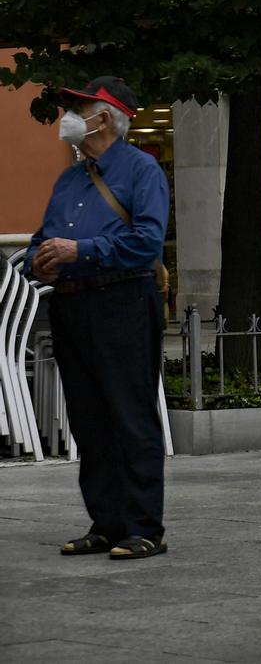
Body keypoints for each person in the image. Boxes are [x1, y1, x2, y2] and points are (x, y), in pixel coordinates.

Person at [25, 77, 171, 559]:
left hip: (123, 300)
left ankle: (145, 527)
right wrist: (37, 260)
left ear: (103, 117)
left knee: (130, 415)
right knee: (88, 419)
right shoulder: (70, 178)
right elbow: (40, 241)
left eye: (78, 108)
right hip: (72, 303)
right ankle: (106, 522)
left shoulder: (141, 170)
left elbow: (147, 243)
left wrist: (79, 250)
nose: (68, 117)